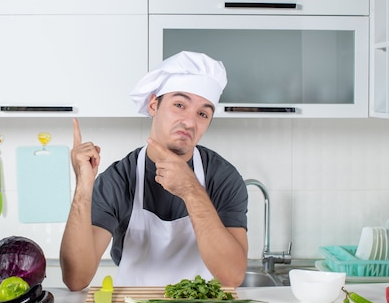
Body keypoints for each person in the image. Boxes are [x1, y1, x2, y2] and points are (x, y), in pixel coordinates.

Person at [60, 51, 248, 290]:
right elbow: (76, 279)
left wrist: (191, 191)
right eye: (180, 105)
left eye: (202, 113)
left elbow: (232, 277)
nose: (190, 122)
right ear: (153, 104)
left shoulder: (223, 178)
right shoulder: (120, 179)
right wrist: (83, 187)